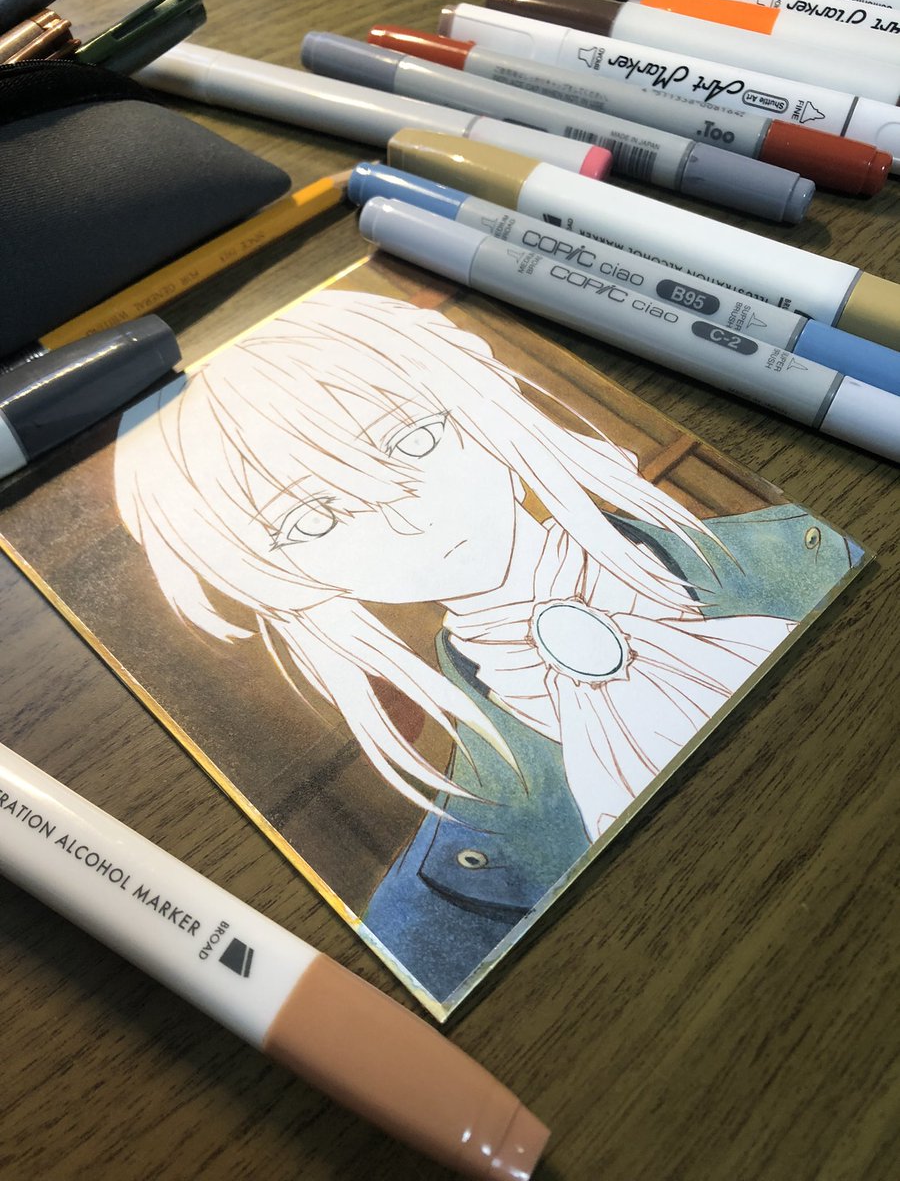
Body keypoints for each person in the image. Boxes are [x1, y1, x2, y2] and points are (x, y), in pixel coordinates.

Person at [114, 289, 859, 1003]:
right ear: (275, 574)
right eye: (311, 520)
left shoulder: (811, 550)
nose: (406, 516)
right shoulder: (440, 896)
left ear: (478, 402)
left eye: (412, 439)